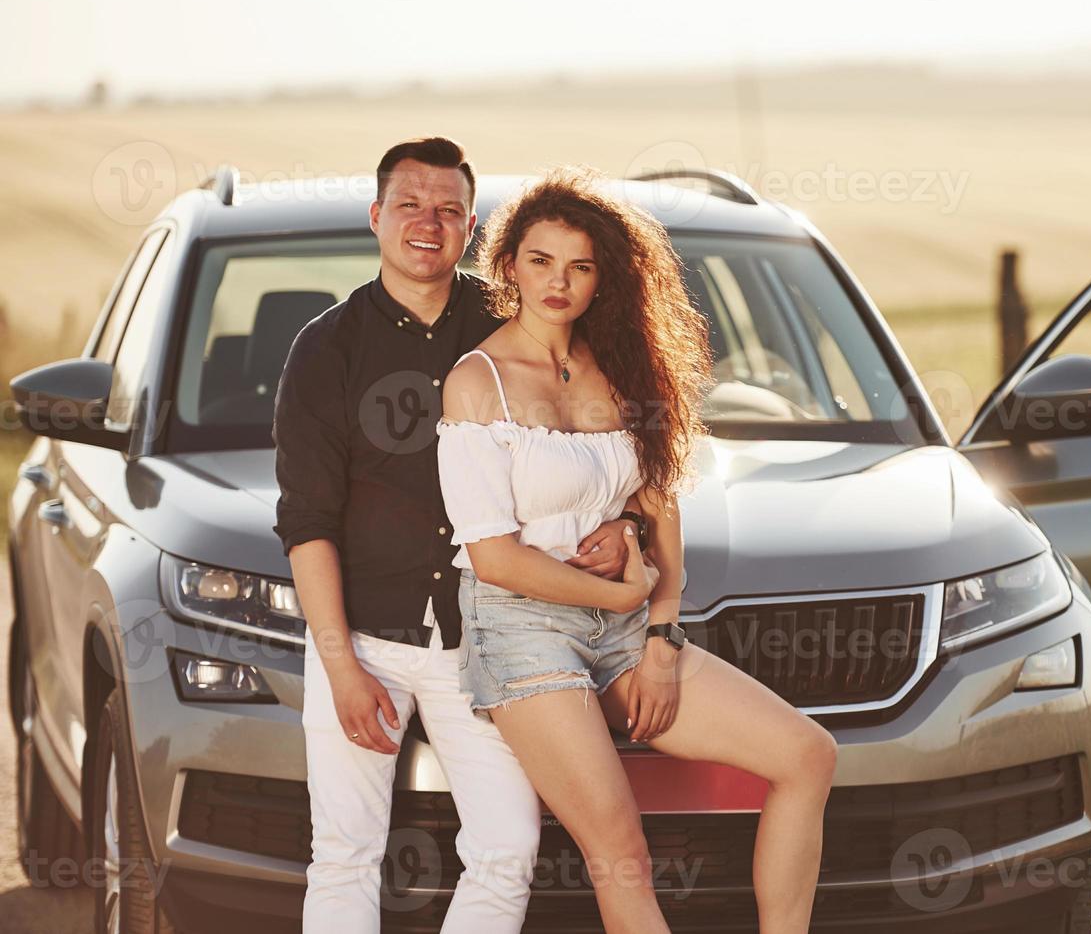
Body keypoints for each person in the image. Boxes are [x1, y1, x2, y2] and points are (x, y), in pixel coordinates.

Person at [436, 165, 839, 934]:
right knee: (620, 850)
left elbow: (660, 513)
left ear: (604, 280)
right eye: (541, 261)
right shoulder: (476, 382)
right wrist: (622, 592)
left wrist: (657, 631)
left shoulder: (621, 369)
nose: (558, 283)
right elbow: (494, 558)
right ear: (508, 263)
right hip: (521, 628)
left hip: (627, 629)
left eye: (580, 266)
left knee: (807, 756)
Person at [273, 138, 638, 932]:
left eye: (447, 210)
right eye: (409, 205)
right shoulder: (325, 349)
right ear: (376, 217)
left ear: (471, 227)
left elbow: (593, 444)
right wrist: (340, 666)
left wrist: (623, 525)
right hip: (363, 635)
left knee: (507, 848)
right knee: (344, 851)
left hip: (484, 641)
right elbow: (306, 521)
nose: (426, 223)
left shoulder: (515, 325)